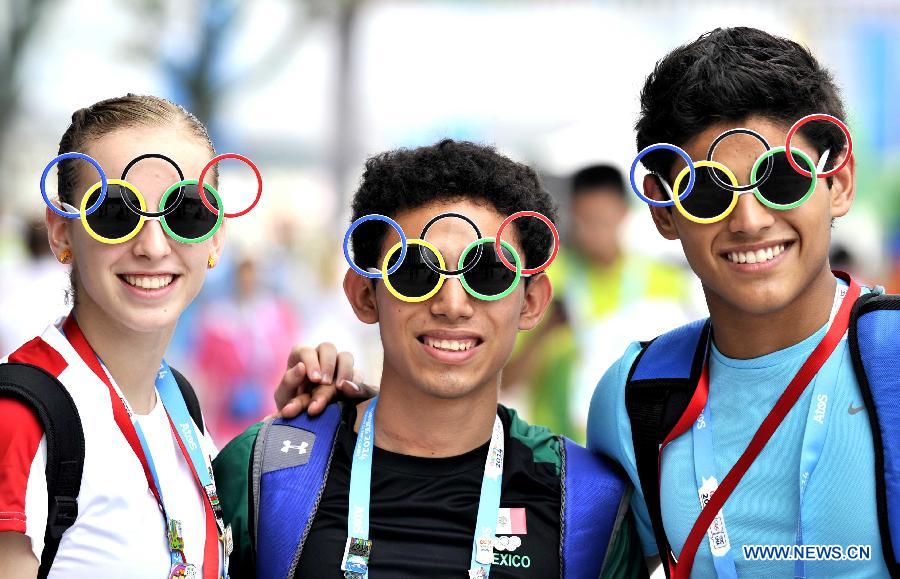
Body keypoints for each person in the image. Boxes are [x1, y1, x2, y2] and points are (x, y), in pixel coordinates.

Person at [213, 139, 647, 578]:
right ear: (364, 295)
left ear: (532, 302)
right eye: (416, 271)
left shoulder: (589, 501)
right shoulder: (266, 471)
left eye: (489, 273)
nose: (453, 303)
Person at [0, 94, 357, 579]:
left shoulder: (178, 407)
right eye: (113, 214)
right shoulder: (19, 419)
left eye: (186, 212)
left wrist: (299, 427)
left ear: (215, 237)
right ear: (62, 232)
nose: (151, 246)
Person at [587, 27, 890, 577]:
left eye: (780, 179)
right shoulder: (635, 398)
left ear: (839, 183)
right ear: (663, 212)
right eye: (708, 191)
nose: (749, 220)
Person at [505, 165, 697, 440]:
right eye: (587, 221)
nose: (595, 232)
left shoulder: (666, 282)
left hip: (640, 447)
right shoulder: (546, 282)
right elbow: (507, 380)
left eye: (603, 220)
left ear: (623, 212)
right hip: (559, 454)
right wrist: (547, 333)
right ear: (572, 214)